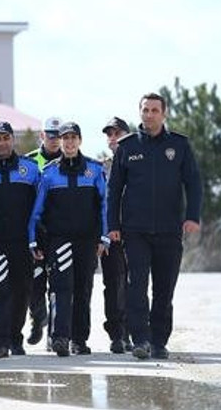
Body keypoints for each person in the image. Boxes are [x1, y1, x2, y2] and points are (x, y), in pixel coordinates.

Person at [107, 93, 202, 360]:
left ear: (164, 113)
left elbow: (193, 183)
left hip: (170, 230)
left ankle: (159, 341)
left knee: (164, 289)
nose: (149, 114)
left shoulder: (179, 145)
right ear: (140, 113)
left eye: (154, 110)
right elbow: (114, 190)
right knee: (136, 286)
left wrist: (192, 216)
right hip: (134, 231)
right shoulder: (126, 146)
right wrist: (113, 224)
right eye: (145, 110)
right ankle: (140, 340)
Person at [28, 122, 109, 357]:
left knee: (83, 289)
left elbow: (104, 206)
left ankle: (79, 340)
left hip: (87, 241)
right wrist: (33, 239)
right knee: (61, 288)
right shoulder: (50, 172)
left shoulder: (94, 170)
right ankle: (60, 338)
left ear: (80, 141)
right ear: (60, 142)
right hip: (60, 240)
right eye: (65, 138)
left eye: (74, 138)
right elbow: (37, 211)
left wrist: (104, 237)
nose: (70, 142)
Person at [0, 121, 41, 358]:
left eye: (6, 138)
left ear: (12, 140)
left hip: (22, 241)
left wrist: (39, 239)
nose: (2, 143)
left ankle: (15, 339)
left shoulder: (31, 168)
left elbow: (40, 206)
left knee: (22, 290)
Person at [23, 116, 62, 348]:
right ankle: (38, 319)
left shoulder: (71, 161)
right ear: (42, 136)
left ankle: (55, 334)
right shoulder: (29, 162)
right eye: (50, 135)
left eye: (58, 136)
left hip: (59, 230)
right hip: (35, 232)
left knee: (59, 283)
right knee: (35, 282)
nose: (55, 140)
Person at [100, 116, 133, 354]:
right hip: (110, 235)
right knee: (113, 285)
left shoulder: (138, 163)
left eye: (117, 133)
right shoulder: (102, 168)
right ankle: (117, 334)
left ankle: (135, 332)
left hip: (136, 233)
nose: (113, 138)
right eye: (110, 134)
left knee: (135, 284)